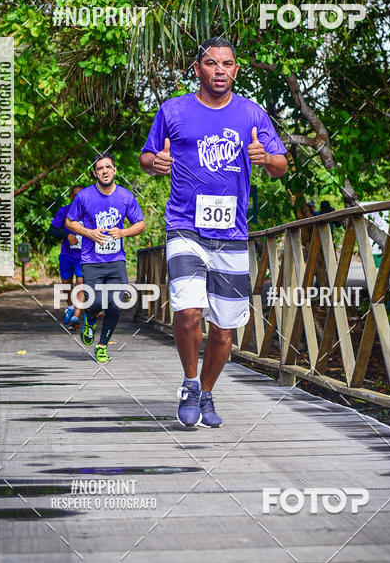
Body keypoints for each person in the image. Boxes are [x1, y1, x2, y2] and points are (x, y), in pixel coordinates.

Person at [140, 36, 288, 427]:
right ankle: (190, 383)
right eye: (211, 64)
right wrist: (155, 163)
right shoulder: (173, 110)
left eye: (227, 64)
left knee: (224, 329)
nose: (219, 70)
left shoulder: (252, 115)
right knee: (188, 311)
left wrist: (266, 158)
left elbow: (280, 166)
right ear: (197, 69)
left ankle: (206, 393)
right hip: (184, 225)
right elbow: (146, 155)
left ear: (236, 70)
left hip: (232, 234)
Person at [65, 152, 145, 363]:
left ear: (115, 170)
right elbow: (70, 222)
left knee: (116, 303)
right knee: (95, 301)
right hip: (92, 260)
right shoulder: (84, 197)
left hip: (116, 260)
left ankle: (101, 346)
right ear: (95, 173)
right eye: (100, 168)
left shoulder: (126, 196)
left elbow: (140, 224)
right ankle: (90, 320)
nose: (104, 171)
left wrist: (123, 232)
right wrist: (89, 233)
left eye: (108, 167)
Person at [49, 185, 84, 331]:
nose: (78, 198)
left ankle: (76, 316)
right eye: (75, 195)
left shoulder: (90, 212)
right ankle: (70, 306)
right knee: (66, 283)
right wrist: (67, 235)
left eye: (80, 195)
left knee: (81, 282)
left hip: (84, 255)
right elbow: (52, 230)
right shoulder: (64, 211)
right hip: (67, 254)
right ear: (71, 196)